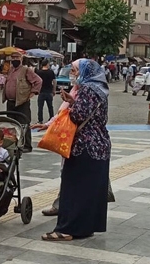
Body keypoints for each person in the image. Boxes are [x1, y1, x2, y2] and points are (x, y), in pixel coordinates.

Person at [41, 60, 111, 241]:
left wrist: (71, 105)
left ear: (85, 71)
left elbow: (78, 115)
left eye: (74, 70)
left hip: (84, 146)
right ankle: (86, 227)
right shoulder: (100, 89)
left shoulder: (87, 89)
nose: (72, 73)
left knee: (74, 188)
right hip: (100, 144)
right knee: (90, 190)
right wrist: (73, 100)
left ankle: (67, 229)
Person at [32, 59, 85, 217]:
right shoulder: (75, 89)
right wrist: (47, 125)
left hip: (84, 141)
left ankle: (74, 207)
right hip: (69, 139)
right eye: (72, 71)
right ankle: (62, 204)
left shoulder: (90, 92)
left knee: (77, 174)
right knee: (67, 172)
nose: (72, 75)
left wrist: (73, 102)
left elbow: (83, 113)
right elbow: (62, 113)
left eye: (74, 71)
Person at [3, 51, 42, 153]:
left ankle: (27, 145)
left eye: (17, 57)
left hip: (22, 102)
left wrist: (33, 93)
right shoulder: (10, 70)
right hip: (11, 102)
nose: (15, 59)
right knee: (11, 124)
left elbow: (38, 81)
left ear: (21, 59)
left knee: (24, 123)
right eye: (13, 58)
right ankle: (14, 144)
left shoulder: (26, 70)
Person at [35, 59, 56, 124]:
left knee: (40, 107)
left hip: (41, 92)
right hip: (49, 92)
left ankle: (40, 120)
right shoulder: (51, 72)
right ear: (47, 64)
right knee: (50, 106)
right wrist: (54, 90)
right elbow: (54, 81)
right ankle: (51, 118)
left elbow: (36, 82)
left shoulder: (39, 72)